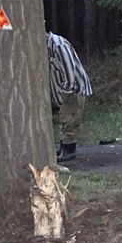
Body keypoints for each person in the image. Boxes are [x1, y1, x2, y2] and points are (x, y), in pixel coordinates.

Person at [47, 31, 92, 162]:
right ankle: (63, 147)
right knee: (65, 117)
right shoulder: (48, 46)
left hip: (73, 88)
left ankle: (69, 150)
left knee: (70, 119)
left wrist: (67, 91)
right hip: (65, 88)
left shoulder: (58, 45)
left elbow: (69, 70)